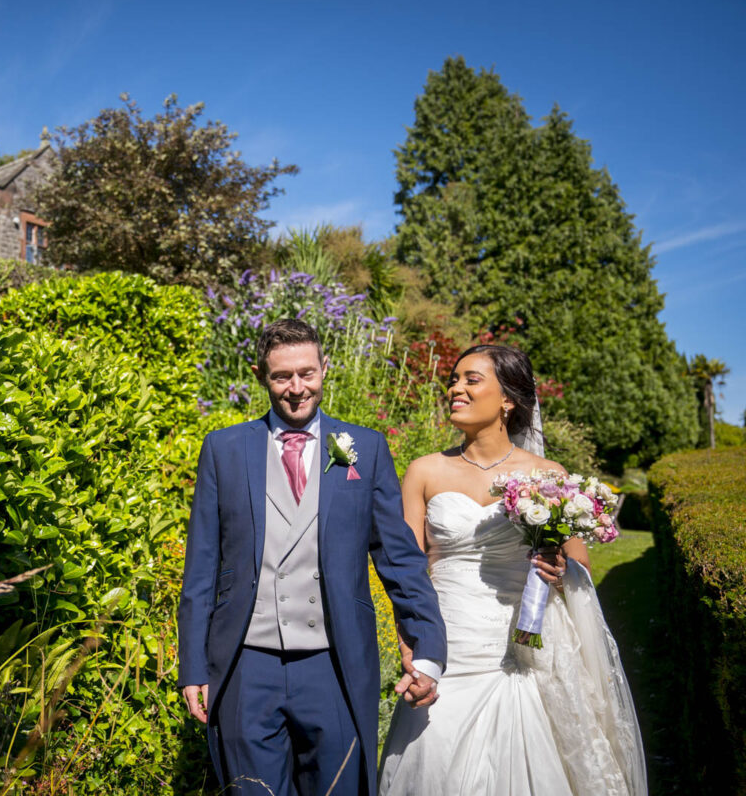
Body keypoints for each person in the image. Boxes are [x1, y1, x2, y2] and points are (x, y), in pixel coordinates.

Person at [178, 319, 448, 796]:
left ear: (325, 368)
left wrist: (426, 647)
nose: (297, 389)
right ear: (262, 374)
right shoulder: (223, 449)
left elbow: (399, 558)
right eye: (282, 376)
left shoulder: (365, 448)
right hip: (246, 665)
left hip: (335, 663)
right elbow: (201, 566)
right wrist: (194, 665)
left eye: (307, 373)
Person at [378, 344, 647, 795]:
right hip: (447, 645)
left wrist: (561, 570)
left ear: (507, 399)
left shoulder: (546, 474)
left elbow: (578, 565)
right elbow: (407, 572)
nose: (455, 389)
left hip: (522, 649)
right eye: (454, 379)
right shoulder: (424, 471)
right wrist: (411, 642)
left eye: (471, 379)